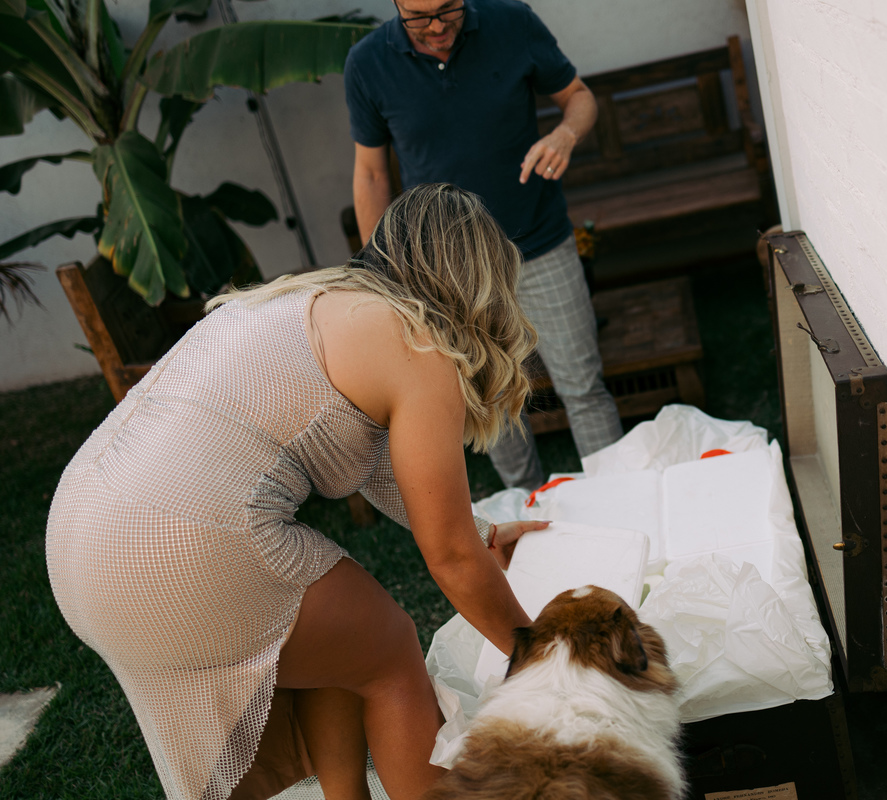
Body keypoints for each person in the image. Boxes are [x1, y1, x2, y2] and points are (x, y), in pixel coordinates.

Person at [46, 184, 549, 800]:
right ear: (477, 286)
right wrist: (541, 656)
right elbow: (448, 554)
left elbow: (383, 471)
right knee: (390, 651)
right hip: (175, 544)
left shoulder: (303, 298)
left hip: (77, 540)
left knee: (345, 642)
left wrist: (484, 531)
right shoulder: (417, 343)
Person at [344, 0, 624, 490]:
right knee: (492, 401)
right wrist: (379, 277)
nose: (436, 26)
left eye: (447, 9)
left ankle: (620, 497)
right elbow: (370, 174)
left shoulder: (512, 21)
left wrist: (565, 134)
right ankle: (526, 507)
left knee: (583, 387)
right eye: (418, 16)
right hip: (450, 271)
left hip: (540, 242)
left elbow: (580, 97)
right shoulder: (367, 63)